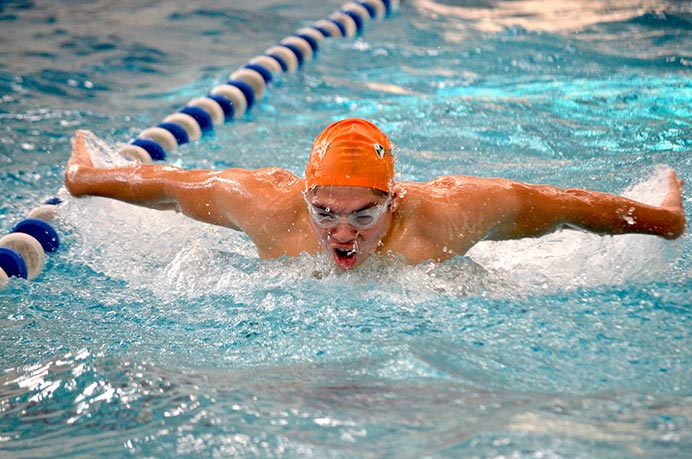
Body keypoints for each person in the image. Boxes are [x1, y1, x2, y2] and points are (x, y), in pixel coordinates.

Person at [64, 118, 686, 271]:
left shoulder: (453, 211)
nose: (340, 233)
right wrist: (86, 178)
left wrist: (661, 221)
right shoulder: (264, 204)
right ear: (304, 195)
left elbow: (565, 205)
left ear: (395, 200)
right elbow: (166, 185)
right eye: (324, 212)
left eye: (363, 214)